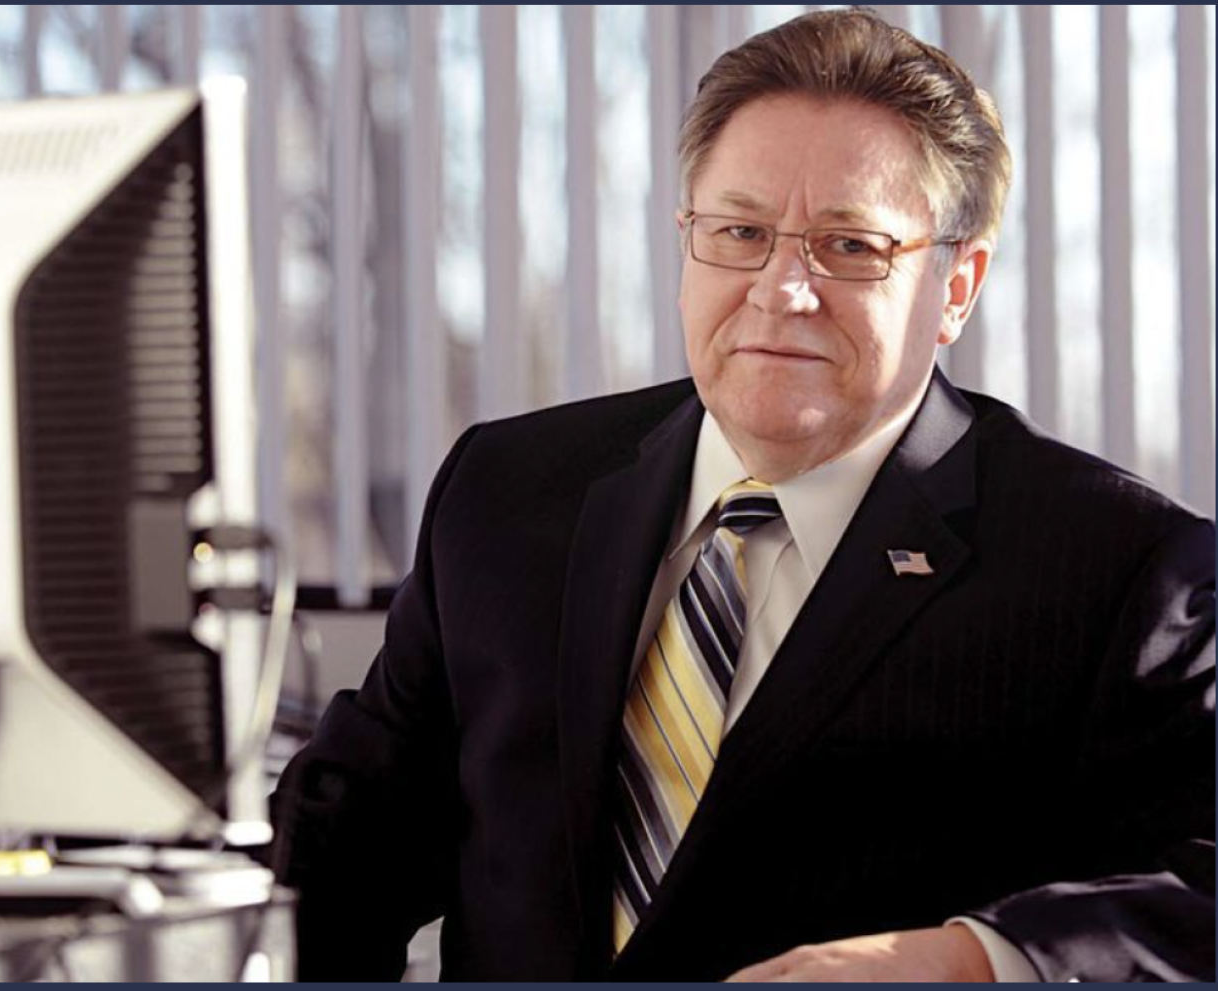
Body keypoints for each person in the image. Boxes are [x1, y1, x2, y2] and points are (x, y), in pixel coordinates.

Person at [270, 8, 1215, 982]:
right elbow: (350, 845)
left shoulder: (1122, 565)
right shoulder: (506, 492)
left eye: (850, 246)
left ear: (957, 287)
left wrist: (966, 961)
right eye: (740, 232)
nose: (780, 288)